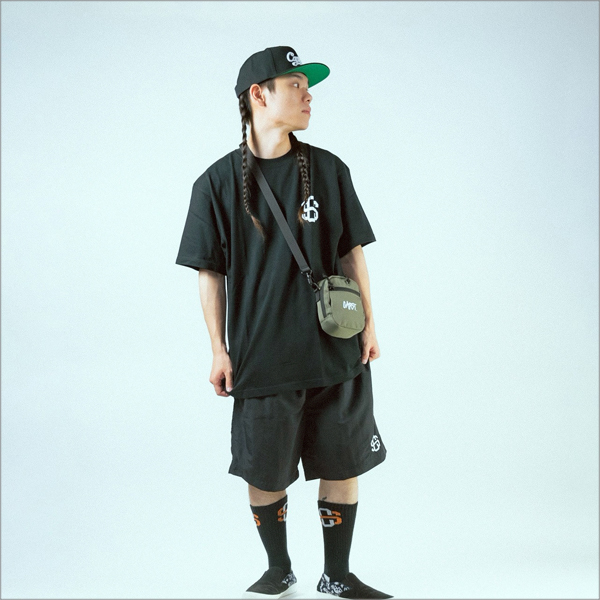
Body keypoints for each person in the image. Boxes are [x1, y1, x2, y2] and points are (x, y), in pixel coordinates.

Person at [176, 46, 392, 599]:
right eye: (295, 84)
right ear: (258, 95)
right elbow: (209, 272)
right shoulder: (216, 183)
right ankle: (279, 570)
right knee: (264, 472)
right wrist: (218, 350)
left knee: (342, 462)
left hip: (335, 349)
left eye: (307, 85)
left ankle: (337, 574)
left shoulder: (329, 169)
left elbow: (351, 253)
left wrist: (370, 325)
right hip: (262, 356)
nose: (308, 94)